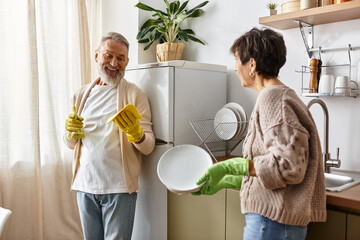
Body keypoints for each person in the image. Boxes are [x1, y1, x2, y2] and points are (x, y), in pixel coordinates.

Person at [194, 27, 326, 240]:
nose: (235, 68)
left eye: (237, 60)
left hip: (271, 222)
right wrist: (228, 180)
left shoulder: (273, 100)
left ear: (252, 64)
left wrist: (229, 165)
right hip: (274, 220)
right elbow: (270, 171)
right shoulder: (281, 97)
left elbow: (289, 167)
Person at [63, 32, 155, 240]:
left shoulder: (135, 94)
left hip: (119, 189)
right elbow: (71, 143)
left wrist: (136, 134)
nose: (114, 63)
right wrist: (69, 133)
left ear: (127, 62)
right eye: (108, 55)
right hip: (85, 186)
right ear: (96, 56)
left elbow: (148, 146)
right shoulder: (81, 95)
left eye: (121, 58)